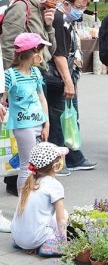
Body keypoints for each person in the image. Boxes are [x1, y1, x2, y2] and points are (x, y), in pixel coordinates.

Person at [0, 0, 64, 196]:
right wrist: (16, 77)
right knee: (21, 138)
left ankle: (25, 183)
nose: (56, 1)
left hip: (36, 73)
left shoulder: (43, 11)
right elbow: (8, 45)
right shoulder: (22, 7)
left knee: (33, 139)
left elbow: (50, 49)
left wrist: (49, 25)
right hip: (21, 80)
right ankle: (17, 184)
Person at [47, 0, 97, 173]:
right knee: (59, 120)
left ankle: (74, 157)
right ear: (67, 3)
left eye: (84, 7)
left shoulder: (68, 20)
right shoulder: (59, 20)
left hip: (68, 76)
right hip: (59, 78)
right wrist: (68, 82)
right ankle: (57, 163)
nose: (81, 11)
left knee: (71, 117)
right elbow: (59, 55)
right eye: (79, 7)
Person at [0, 33, 50, 191]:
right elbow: (2, 97)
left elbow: (42, 99)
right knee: (27, 165)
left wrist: (46, 123)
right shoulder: (10, 75)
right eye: (41, 51)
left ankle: (33, 198)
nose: (42, 55)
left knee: (38, 165)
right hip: (23, 126)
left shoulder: (36, 73)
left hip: (39, 123)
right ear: (34, 53)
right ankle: (24, 201)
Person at [11, 142, 68, 255]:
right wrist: (64, 244)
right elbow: (61, 219)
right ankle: (48, 246)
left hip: (17, 237)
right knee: (64, 214)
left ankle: (27, 241)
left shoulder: (29, 181)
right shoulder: (55, 185)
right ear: (56, 166)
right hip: (33, 239)